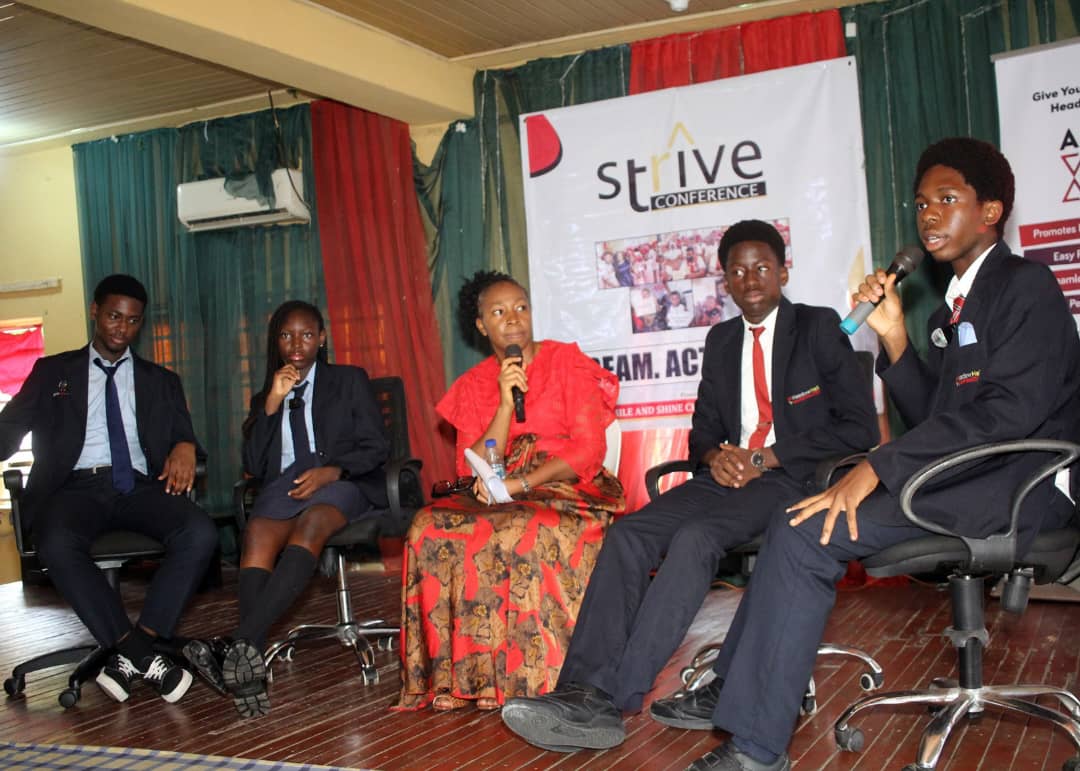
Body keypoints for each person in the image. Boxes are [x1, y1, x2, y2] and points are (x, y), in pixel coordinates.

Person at [676, 138, 1080, 770]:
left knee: (806, 533)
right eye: (921, 203)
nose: (929, 214)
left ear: (991, 210)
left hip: (1021, 487)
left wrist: (878, 465)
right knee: (797, 519)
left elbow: (1007, 415)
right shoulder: (950, 309)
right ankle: (738, 694)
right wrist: (893, 337)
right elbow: (938, 418)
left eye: (947, 199)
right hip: (965, 480)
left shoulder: (1025, 286)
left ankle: (756, 747)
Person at [500, 219, 880, 755]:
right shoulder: (721, 340)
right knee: (628, 534)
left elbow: (859, 429)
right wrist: (714, 457)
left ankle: (613, 699)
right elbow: (703, 430)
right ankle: (583, 687)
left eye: (762, 268)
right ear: (725, 280)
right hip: (724, 477)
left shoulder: (818, 328)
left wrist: (764, 456)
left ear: (783, 272)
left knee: (696, 538)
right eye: (737, 271)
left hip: (790, 478)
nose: (750, 279)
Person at [394, 271, 625, 712]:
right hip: (499, 487)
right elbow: (473, 467)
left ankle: (534, 679)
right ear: (481, 325)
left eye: (521, 307)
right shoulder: (473, 384)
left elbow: (587, 450)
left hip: (566, 484)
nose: (514, 319)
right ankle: (471, 679)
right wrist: (504, 404)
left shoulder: (566, 362)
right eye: (499, 312)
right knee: (427, 525)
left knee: (520, 525)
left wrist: (522, 484)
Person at [0, 274, 218, 704]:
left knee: (200, 533)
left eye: (133, 321)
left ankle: (134, 648)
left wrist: (186, 445)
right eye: (114, 316)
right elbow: (7, 432)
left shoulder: (161, 380)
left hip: (139, 487)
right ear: (95, 312)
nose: (122, 328)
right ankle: (140, 653)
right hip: (73, 490)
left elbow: (184, 436)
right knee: (56, 542)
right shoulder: (53, 372)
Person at [184, 300, 389, 718]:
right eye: (286, 335)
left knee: (311, 524)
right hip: (287, 484)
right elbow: (255, 465)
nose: (297, 344)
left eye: (307, 335)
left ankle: (240, 643)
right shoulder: (267, 395)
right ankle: (249, 658)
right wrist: (271, 405)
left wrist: (333, 472)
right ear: (275, 342)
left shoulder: (348, 380)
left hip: (342, 480)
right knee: (257, 532)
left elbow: (377, 446)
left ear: (322, 339)